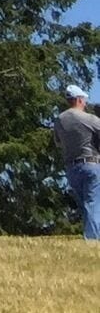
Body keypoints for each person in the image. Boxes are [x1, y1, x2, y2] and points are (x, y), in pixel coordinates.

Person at [53, 82, 100, 240]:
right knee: (93, 203)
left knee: (85, 205)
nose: (85, 103)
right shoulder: (88, 118)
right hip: (91, 164)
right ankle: (92, 240)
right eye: (84, 100)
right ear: (79, 100)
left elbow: (58, 142)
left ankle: (91, 235)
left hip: (72, 168)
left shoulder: (59, 120)